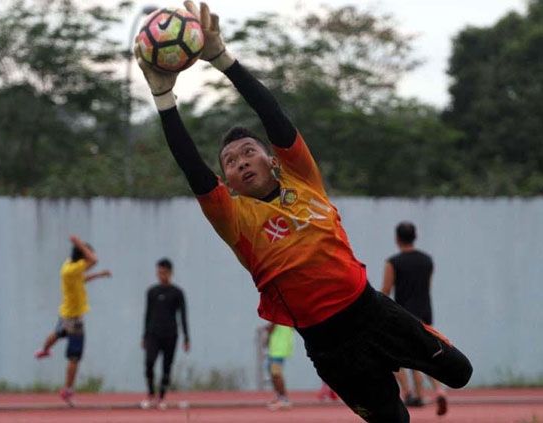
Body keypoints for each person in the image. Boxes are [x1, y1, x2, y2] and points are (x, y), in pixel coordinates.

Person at [134, 2, 473, 421]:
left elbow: (272, 115)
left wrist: (224, 60)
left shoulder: (301, 177)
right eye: (230, 162)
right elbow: (191, 166)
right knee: (394, 420)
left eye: (248, 152)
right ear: (229, 182)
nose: (241, 162)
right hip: (328, 343)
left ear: (271, 160)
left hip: (372, 311)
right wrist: (164, 99)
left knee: (460, 372)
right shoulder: (234, 219)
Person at [34, 235, 111, 406]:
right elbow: (94, 259)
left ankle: (44, 350)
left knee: (58, 333)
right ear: (82, 256)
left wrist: (99, 275)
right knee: (74, 356)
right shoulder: (72, 269)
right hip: (74, 318)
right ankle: (67, 389)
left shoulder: (69, 265)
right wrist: (80, 243)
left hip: (65, 313)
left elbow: (83, 278)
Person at [381, 221, 448, 415]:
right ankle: (438, 390)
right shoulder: (427, 261)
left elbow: (386, 290)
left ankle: (410, 393)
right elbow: (427, 286)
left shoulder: (393, 262)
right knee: (425, 352)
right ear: (415, 237)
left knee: (396, 355)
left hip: (403, 313)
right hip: (425, 311)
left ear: (397, 238)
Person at [140, 258, 189, 410]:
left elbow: (183, 316)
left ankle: (161, 397)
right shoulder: (152, 292)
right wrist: (144, 335)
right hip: (153, 334)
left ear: (170, 273)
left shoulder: (177, 293)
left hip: (170, 334)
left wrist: (187, 337)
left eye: (164, 273)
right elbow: (147, 314)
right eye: (159, 272)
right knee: (149, 363)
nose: (161, 275)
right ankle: (150, 394)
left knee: (166, 367)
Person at [265, 323, 293, 410]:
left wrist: (267, 335)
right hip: (276, 348)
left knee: (276, 373)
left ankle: (284, 399)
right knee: (273, 373)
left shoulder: (278, 313)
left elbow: (271, 328)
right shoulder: (287, 316)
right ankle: (280, 396)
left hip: (279, 348)